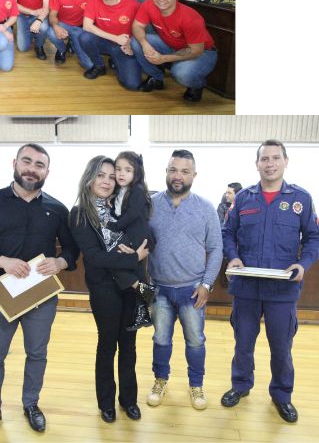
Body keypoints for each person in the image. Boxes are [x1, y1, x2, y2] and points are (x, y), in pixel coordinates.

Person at [0, 143, 79, 441]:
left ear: (47, 172)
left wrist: (61, 260)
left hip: (41, 296)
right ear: (15, 163)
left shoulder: (57, 208)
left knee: (37, 354)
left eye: (39, 164)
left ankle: (31, 404)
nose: (32, 168)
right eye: (27, 161)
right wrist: (1, 261)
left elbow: (71, 249)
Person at [221, 140, 319, 423]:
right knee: (243, 343)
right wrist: (233, 256)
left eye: (276, 158)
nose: (270, 163)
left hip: (282, 290)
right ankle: (240, 385)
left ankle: (282, 395)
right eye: (265, 158)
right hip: (247, 289)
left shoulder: (301, 199)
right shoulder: (243, 199)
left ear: (286, 161)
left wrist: (303, 264)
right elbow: (228, 232)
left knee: (281, 347)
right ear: (257, 164)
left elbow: (314, 237)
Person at [68, 156, 148, 424]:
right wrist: (133, 258)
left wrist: (140, 253)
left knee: (129, 344)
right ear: (90, 179)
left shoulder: (121, 207)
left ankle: (129, 400)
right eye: (100, 175)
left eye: (111, 176)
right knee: (107, 345)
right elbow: (94, 257)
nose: (106, 181)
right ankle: (106, 403)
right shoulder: (79, 213)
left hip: (130, 287)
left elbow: (144, 238)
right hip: (103, 289)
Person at [146, 149, 222, 411]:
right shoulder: (151, 205)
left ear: (194, 175)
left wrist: (207, 284)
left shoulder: (206, 208)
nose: (178, 176)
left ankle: (196, 385)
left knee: (195, 341)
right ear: (166, 172)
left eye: (184, 171)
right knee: (160, 340)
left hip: (192, 290)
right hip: (160, 290)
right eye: (173, 170)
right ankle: (160, 380)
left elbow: (216, 249)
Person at [131, 0, 217, 102]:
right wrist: (145, 44)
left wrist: (163, 58)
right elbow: (137, 26)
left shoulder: (190, 18)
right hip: (170, 44)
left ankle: (197, 85)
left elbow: (196, 51)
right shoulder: (148, 5)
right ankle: (156, 78)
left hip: (202, 52)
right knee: (136, 41)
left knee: (181, 73)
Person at [106, 151, 157, 331]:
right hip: (131, 235)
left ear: (136, 173)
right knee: (133, 271)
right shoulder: (120, 192)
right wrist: (111, 211)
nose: (121, 173)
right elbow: (119, 214)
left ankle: (146, 290)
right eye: (118, 169)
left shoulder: (138, 191)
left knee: (114, 261)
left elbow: (132, 215)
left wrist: (115, 226)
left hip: (138, 235)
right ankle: (144, 310)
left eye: (127, 170)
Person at [77, 0, 142, 88]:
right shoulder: (94, 1)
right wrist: (116, 38)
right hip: (105, 41)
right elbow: (87, 26)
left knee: (132, 84)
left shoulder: (133, 4)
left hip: (124, 46)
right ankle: (99, 66)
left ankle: (116, 61)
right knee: (85, 37)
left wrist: (133, 43)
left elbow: (143, 28)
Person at [47, 0, 100, 65]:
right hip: (64, 24)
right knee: (51, 32)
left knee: (89, 65)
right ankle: (62, 49)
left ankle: (72, 42)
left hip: (82, 28)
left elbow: (101, 10)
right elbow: (52, 14)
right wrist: (56, 26)